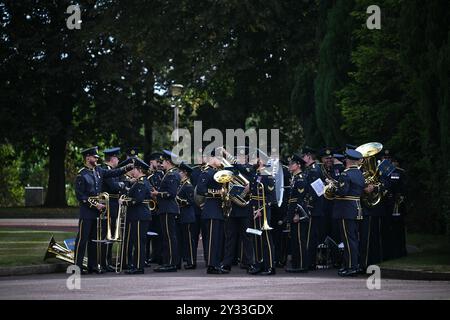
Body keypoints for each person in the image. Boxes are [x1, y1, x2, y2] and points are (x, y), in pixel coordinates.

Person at [74, 146, 133, 274]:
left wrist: (126, 168)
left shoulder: (98, 170)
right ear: (87, 157)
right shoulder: (82, 174)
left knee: (95, 240)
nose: (96, 159)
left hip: (97, 212)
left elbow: (113, 173)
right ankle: (77, 267)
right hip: (87, 211)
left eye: (97, 157)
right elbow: (81, 196)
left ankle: (93, 266)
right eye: (94, 157)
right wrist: (95, 205)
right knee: (82, 239)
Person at [332, 149, 365, 277]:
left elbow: (342, 191)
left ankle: (351, 267)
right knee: (353, 239)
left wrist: (334, 188)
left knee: (348, 240)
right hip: (356, 208)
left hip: (346, 210)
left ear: (347, 160)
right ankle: (352, 265)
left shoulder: (345, 174)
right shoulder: (360, 173)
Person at [220, 147, 253, 272]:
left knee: (247, 237)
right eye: (237, 156)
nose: (239, 158)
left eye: (241, 156)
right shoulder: (230, 169)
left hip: (245, 208)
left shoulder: (249, 168)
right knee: (230, 237)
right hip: (232, 208)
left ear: (246, 157)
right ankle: (227, 263)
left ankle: (249, 263)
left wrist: (225, 153)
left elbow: (251, 182)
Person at [196, 149, 229, 274]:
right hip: (210, 209)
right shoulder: (206, 172)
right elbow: (200, 190)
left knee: (218, 239)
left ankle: (216, 263)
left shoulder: (218, 172)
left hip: (218, 209)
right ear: (212, 158)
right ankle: (211, 265)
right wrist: (219, 193)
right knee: (212, 239)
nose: (221, 161)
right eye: (219, 158)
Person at [120, 158, 152, 274]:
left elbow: (137, 200)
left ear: (139, 169)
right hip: (138, 215)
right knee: (137, 241)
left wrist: (123, 202)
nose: (132, 171)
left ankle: (139, 266)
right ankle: (137, 265)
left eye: (134, 168)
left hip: (139, 215)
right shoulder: (139, 182)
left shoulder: (141, 183)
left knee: (139, 242)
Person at [152, 150, 181, 272]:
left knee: (169, 237)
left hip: (168, 209)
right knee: (167, 236)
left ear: (168, 162)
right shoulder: (168, 173)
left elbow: (171, 193)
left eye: (162, 161)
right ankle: (169, 262)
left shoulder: (172, 174)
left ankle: (170, 263)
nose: (161, 163)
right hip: (165, 209)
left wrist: (157, 193)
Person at [100, 147, 126, 272]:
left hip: (114, 205)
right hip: (109, 205)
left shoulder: (111, 170)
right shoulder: (105, 170)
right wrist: (121, 185)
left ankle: (107, 261)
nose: (118, 159)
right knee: (107, 234)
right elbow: (114, 186)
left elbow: (119, 185)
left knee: (111, 234)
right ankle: (104, 262)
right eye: (117, 157)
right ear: (112, 158)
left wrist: (120, 185)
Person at [301, 146, 325, 270]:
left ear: (309, 156)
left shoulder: (314, 170)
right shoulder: (311, 169)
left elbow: (316, 192)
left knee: (310, 236)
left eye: (304, 155)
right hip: (312, 208)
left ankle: (309, 262)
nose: (302, 158)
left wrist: (308, 206)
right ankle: (309, 261)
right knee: (309, 235)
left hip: (312, 209)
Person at [285, 154, 310, 273]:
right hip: (293, 210)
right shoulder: (295, 177)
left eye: (292, 164)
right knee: (294, 239)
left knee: (300, 239)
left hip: (299, 212)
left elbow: (300, 199)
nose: (290, 166)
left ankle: (301, 264)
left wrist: (297, 213)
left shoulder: (300, 179)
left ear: (298, 165)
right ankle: (296, 263)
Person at [176, 162, 197, 269]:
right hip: (182, 216)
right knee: (182, 240)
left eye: (180, 171)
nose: (178, 173)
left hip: (188, 216)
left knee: (189, 241)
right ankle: (182, 260)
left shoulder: (188, 186)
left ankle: (192, 262)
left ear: (184, 173)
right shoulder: (182, 184)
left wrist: (177, 199)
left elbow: (190, 202)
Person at [145, 152, 164, 266]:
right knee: (147, 234)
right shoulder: (147, 175)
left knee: (158, 233)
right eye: (158, 162)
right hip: (149, 207)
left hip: (158, 207)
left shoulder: (161, 174)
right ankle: (145, 257)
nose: (160, 164)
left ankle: (157, 255)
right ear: (152, 162)